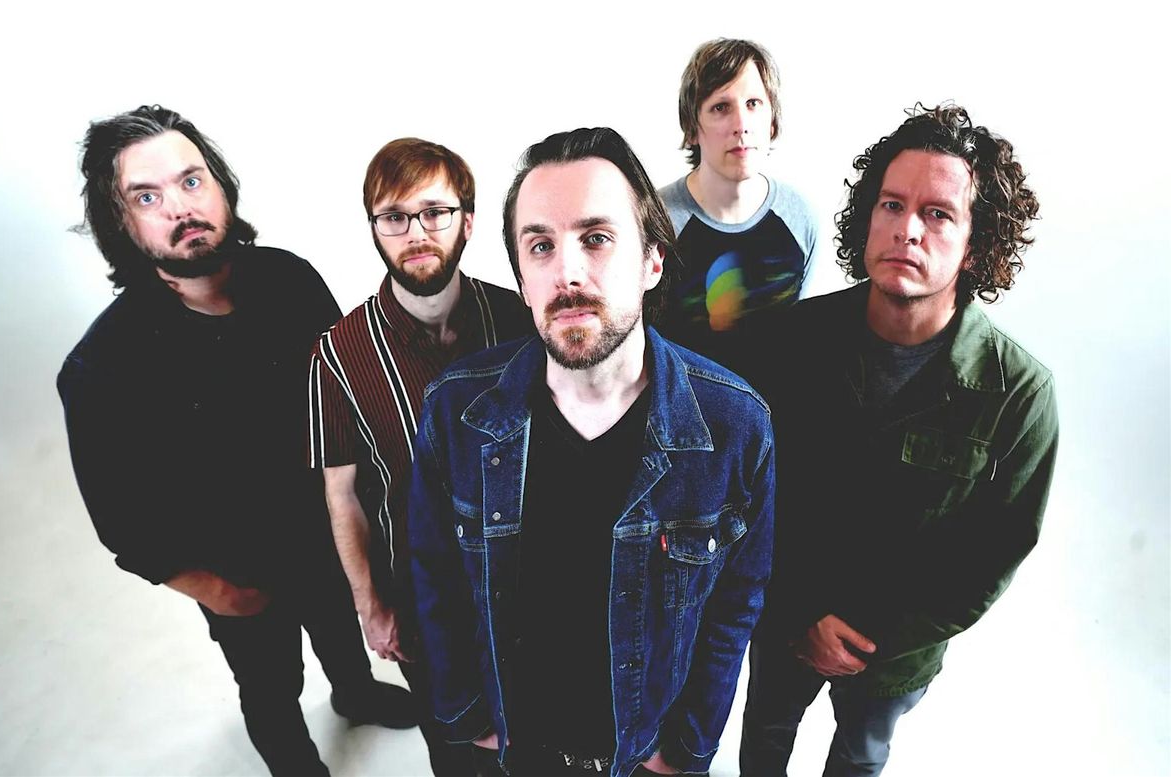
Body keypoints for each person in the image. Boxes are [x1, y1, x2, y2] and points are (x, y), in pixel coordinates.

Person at [57, 105, 415, 777]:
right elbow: (120, 523)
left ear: (221, 187)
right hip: (240, 574)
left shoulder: (290, 277)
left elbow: (345, 404)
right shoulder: (102, 367)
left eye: (192, 181)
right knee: (271, 685)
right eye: (146, 196)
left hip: (328, 534)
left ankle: (355, 692)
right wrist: (218, 591)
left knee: (341, 632)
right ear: (120, 222)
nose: (180, 206)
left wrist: (365, 522)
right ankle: (295, 764)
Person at [408, 127, 776, 777]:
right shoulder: (455, 413)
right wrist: (469, 716)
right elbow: (434, 576)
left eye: (597, 238)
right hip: (514, 748)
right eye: (541, 246)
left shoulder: (735, 425)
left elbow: (736, 602)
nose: (568, 272)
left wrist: (686, 747)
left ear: (652, 261)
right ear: (523, 281)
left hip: (645, 755)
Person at [739, 104, 1058, 777]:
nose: (906, 229)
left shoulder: (1019, 395)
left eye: (937, 214)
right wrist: (801, 617)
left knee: (860, 758)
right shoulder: (788, 342)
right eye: (891, 204)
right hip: (783, 623)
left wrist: (870, 637)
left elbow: (990, 555)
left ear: (976, 244)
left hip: (892, 658)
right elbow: (748, 498)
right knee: (763, 743)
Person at [307, 137, 532, 775]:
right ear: (374, 228)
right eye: (395, 217)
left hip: (526, 582)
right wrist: (371, 606)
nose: (416, 233)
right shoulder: (339, 352)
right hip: (420, 598)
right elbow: (342, 494)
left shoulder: (518, 319)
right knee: (454, 751)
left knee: (534, 736)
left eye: (434, 212)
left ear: (468, 220)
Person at [658, 38, 819, 372]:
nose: (741, 125)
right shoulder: (657, 221)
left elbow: (799, 337)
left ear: (772, 121)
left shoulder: (799, 216)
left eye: (753, 104)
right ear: (692, 128)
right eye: (721, 107)